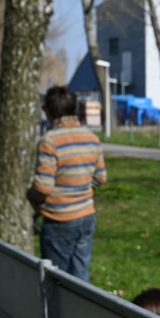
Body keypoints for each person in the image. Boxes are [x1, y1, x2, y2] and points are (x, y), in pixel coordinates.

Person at [31, 86, 107, 281]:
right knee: (81, 280)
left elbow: (43, 187)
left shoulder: (50, 141)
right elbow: (100, 178)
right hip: (87, 216)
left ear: (49, 111)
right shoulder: (92, 138)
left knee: (55, 282)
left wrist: (30, 196)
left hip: (59, 221)